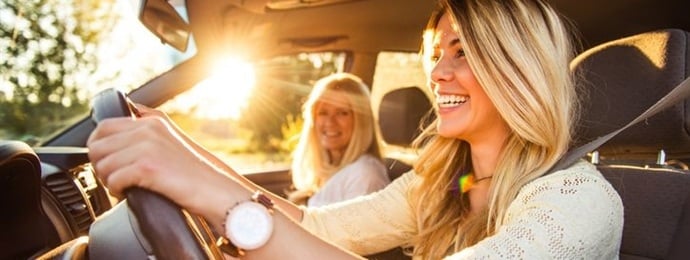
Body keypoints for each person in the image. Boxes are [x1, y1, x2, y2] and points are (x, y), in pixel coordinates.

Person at [87, 0, 624, 258]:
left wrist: (209, 191)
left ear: (519, 65)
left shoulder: (578, 201)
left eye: (464, 51)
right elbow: (319, 229)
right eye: (436, 55)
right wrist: (185, 152)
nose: (438, 73)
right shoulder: (441, 185)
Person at [288, 73, 389, 207]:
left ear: (361, 121)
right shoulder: (330, 170)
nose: (330, 122)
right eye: (323, 112)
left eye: (342, 113)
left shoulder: (365, 174)